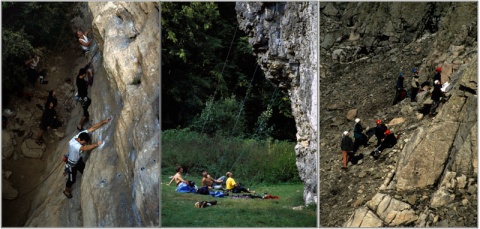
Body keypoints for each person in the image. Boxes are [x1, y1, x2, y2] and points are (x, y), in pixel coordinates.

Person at [63, 117, 111, 199]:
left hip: (78, 160)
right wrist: (96, 144)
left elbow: (92, 128)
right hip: (72, 164)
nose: (84, 144)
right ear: (79, 140)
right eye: (83, 143)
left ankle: (86, 180)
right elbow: (85, 148)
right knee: (72, 180)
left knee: (84, 169)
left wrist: (104, 122)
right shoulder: (74, 144)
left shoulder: (80, 135)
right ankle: (66, 191)